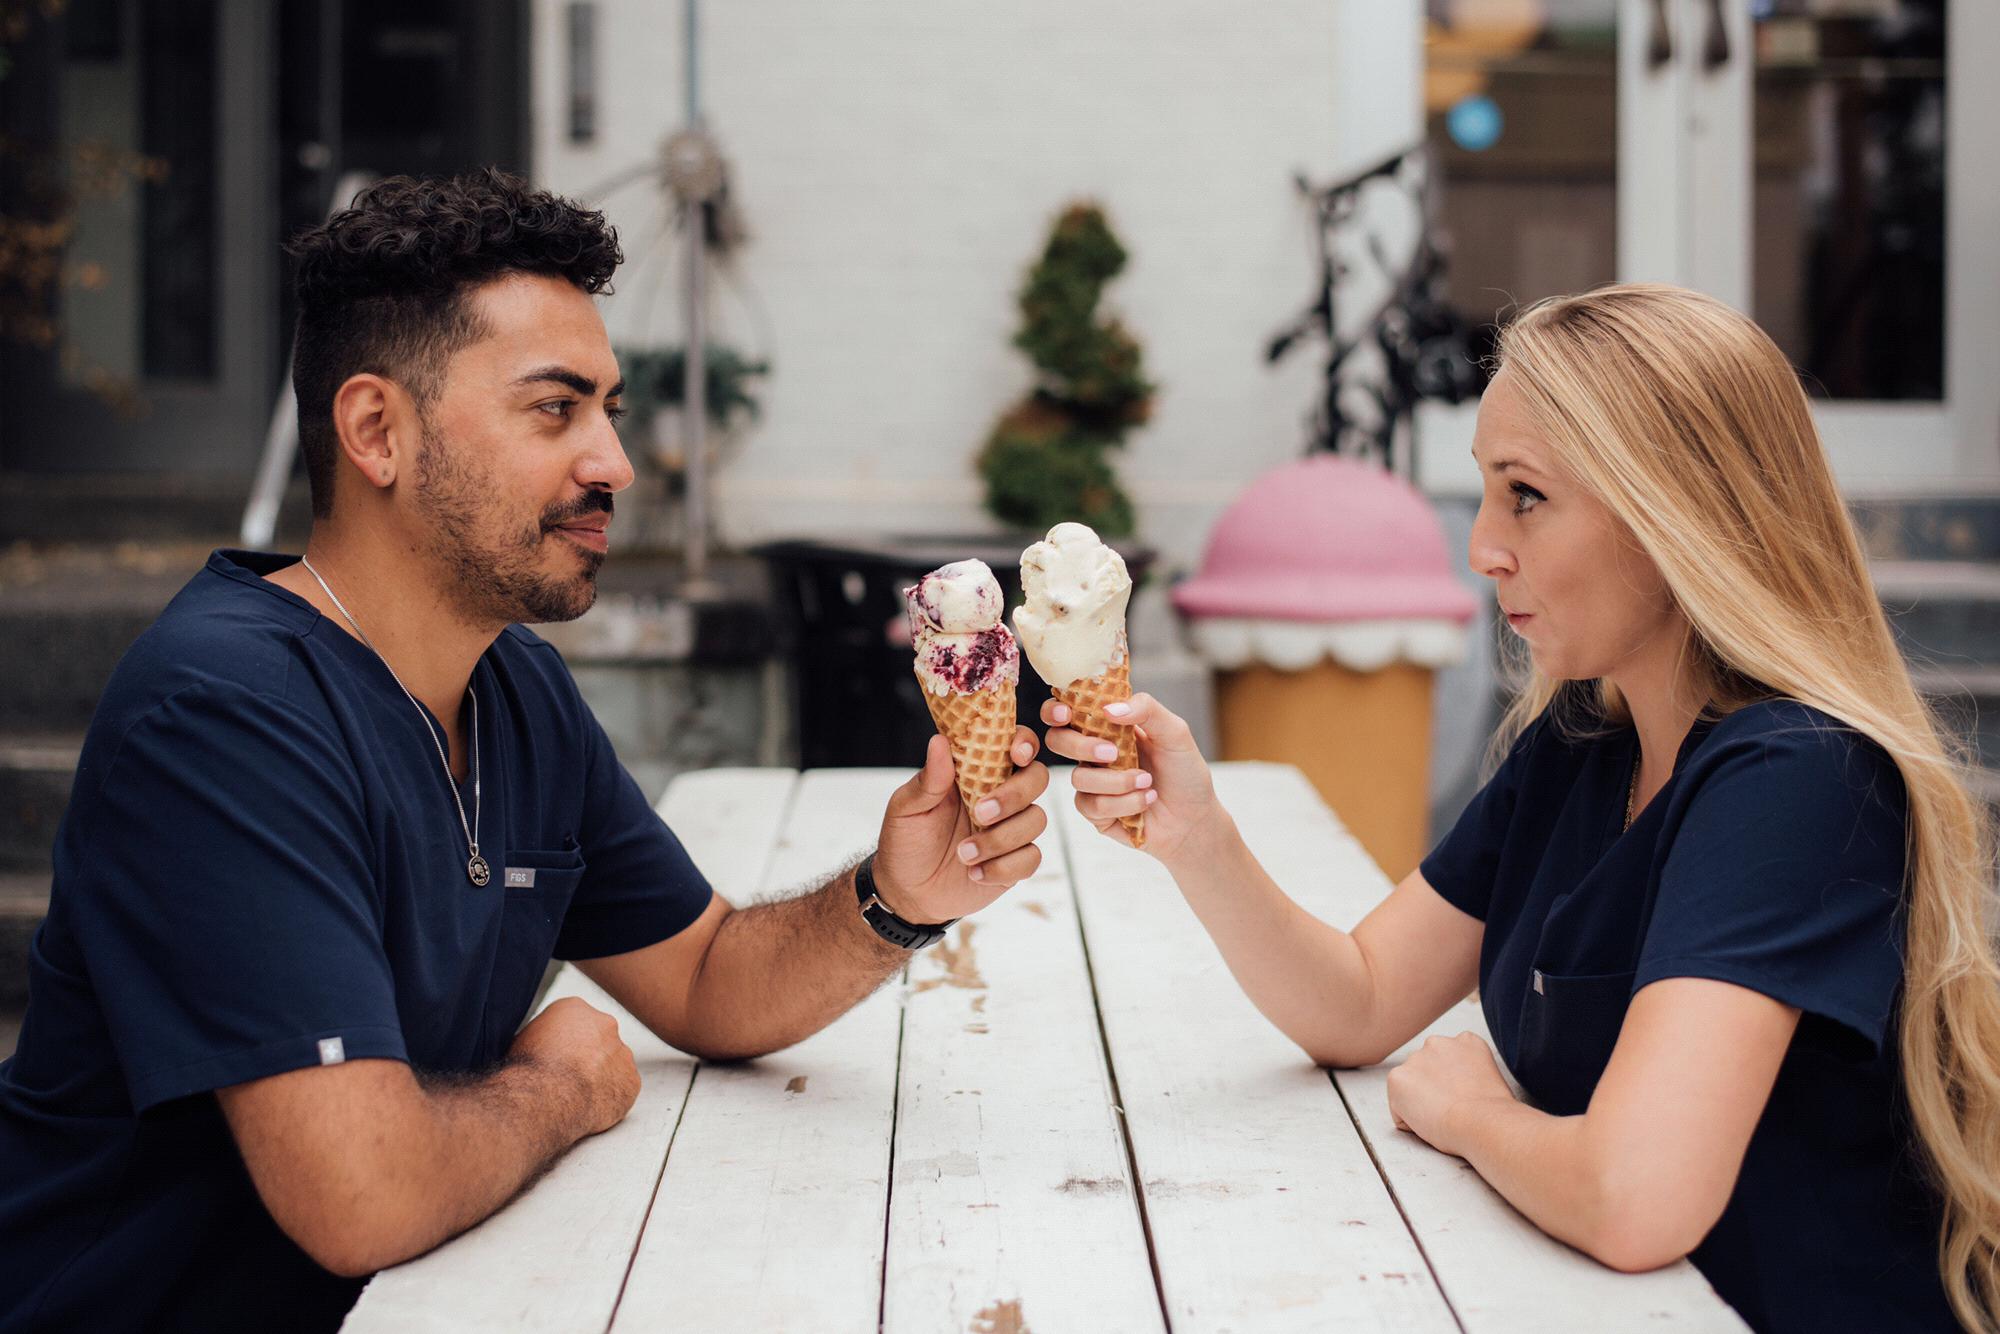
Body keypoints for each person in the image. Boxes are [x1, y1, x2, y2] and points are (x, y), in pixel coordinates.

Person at [0, 169, 1049, 1333]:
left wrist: (894, 896)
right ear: (376, 431)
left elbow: (705, 976)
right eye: (556, 409)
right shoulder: (225, 714)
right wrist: (560, 1083)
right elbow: (363, 1192)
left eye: (609, 409)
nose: (614, 463)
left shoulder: (513, 687)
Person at [1046, 284, 2000, 1333]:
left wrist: (1471, 1112)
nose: (1483, 547)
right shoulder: (1586, 739)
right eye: (1486, 492)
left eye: (1526, 496)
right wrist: (1197, 838)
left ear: (1673, 513)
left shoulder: (1796, 777)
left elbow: (1634, 1199)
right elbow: (1361, 1000)